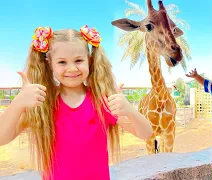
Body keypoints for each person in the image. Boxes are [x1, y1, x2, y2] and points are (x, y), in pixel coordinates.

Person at [0, 25, 153, 180]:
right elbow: (2, 138)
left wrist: (129, 111)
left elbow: (146, 133)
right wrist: (18, 103)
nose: (72, 68)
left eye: (78, 60)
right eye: (62, 62)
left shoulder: (102, 101)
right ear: (49, 64)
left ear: (90, 60)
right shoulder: (42, 103)